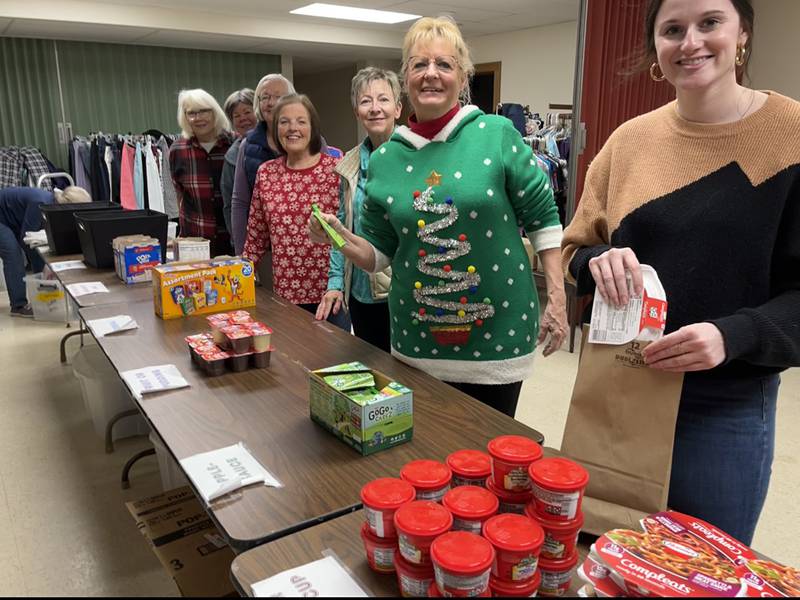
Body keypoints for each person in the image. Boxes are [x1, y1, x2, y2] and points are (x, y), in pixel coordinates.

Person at [561, 0, 800, 545]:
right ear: (656, 52)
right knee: (603, 555)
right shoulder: (629, 141)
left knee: (702, 566)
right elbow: (576, 249)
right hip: (621, 384)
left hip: (725, 405)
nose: (690, 42)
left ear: (743, 33)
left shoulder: (792, 137)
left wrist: (731, 334)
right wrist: (597, 261)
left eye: (710, 22)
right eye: (673, 30)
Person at [309, 16, 567, 417]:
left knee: (488, 451)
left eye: (444, 64)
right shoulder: (387, 158)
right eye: (419, 65)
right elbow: (379, 254)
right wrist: (338, 235)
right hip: (416, 336)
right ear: (406, 78)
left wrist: (557, 298)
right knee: (427, 454)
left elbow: (543, 218)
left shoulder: (495, 134)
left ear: (462, 77)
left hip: (497, 333)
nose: (431, 74)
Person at [242, 94, 349, 331]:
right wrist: (237, 280)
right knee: (293, 366)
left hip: (332, 295)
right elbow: (256, 237)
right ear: (275, 129)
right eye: (284, 122)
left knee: (337, 365)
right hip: (286, 298)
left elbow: (349, 231)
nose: (293, 128)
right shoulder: (266, 173)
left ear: (313, 127)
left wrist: (338, 283)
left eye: (301, 121)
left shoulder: (336, 168)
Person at [315, 68, 401, 352]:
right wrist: (335, 282)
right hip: (361, 292)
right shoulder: (350, 164)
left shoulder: (417, 159)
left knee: (411, 378)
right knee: (374, 370)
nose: (375, 109)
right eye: (366, 101)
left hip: (403, 291)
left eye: (383, 100)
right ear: (357, 112)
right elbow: (343, 227)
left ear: (398, 108)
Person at [0, 186, 91, 317]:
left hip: (7, 219)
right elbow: (26, 239)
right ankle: (18, 305)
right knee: (13, 253)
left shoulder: (51, 204)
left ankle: (42, 295)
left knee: (29, 254)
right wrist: (45, 267)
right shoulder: (41, 204)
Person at [230, 74, 295, 255]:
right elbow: (240, 203)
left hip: (303, 247)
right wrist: (242, 255)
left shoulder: (311, 140)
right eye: (265, 97)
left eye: (278, 97)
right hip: (263, 248)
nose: (270, 103)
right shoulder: (247, 145)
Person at [169, 89, 233, 256]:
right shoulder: (177, 150)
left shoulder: (235, 145)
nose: (198, 118)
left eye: (204, 111)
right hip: (195, 243)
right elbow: (180, 195)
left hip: (232, 241)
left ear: (215, 112)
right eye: (191, 113)